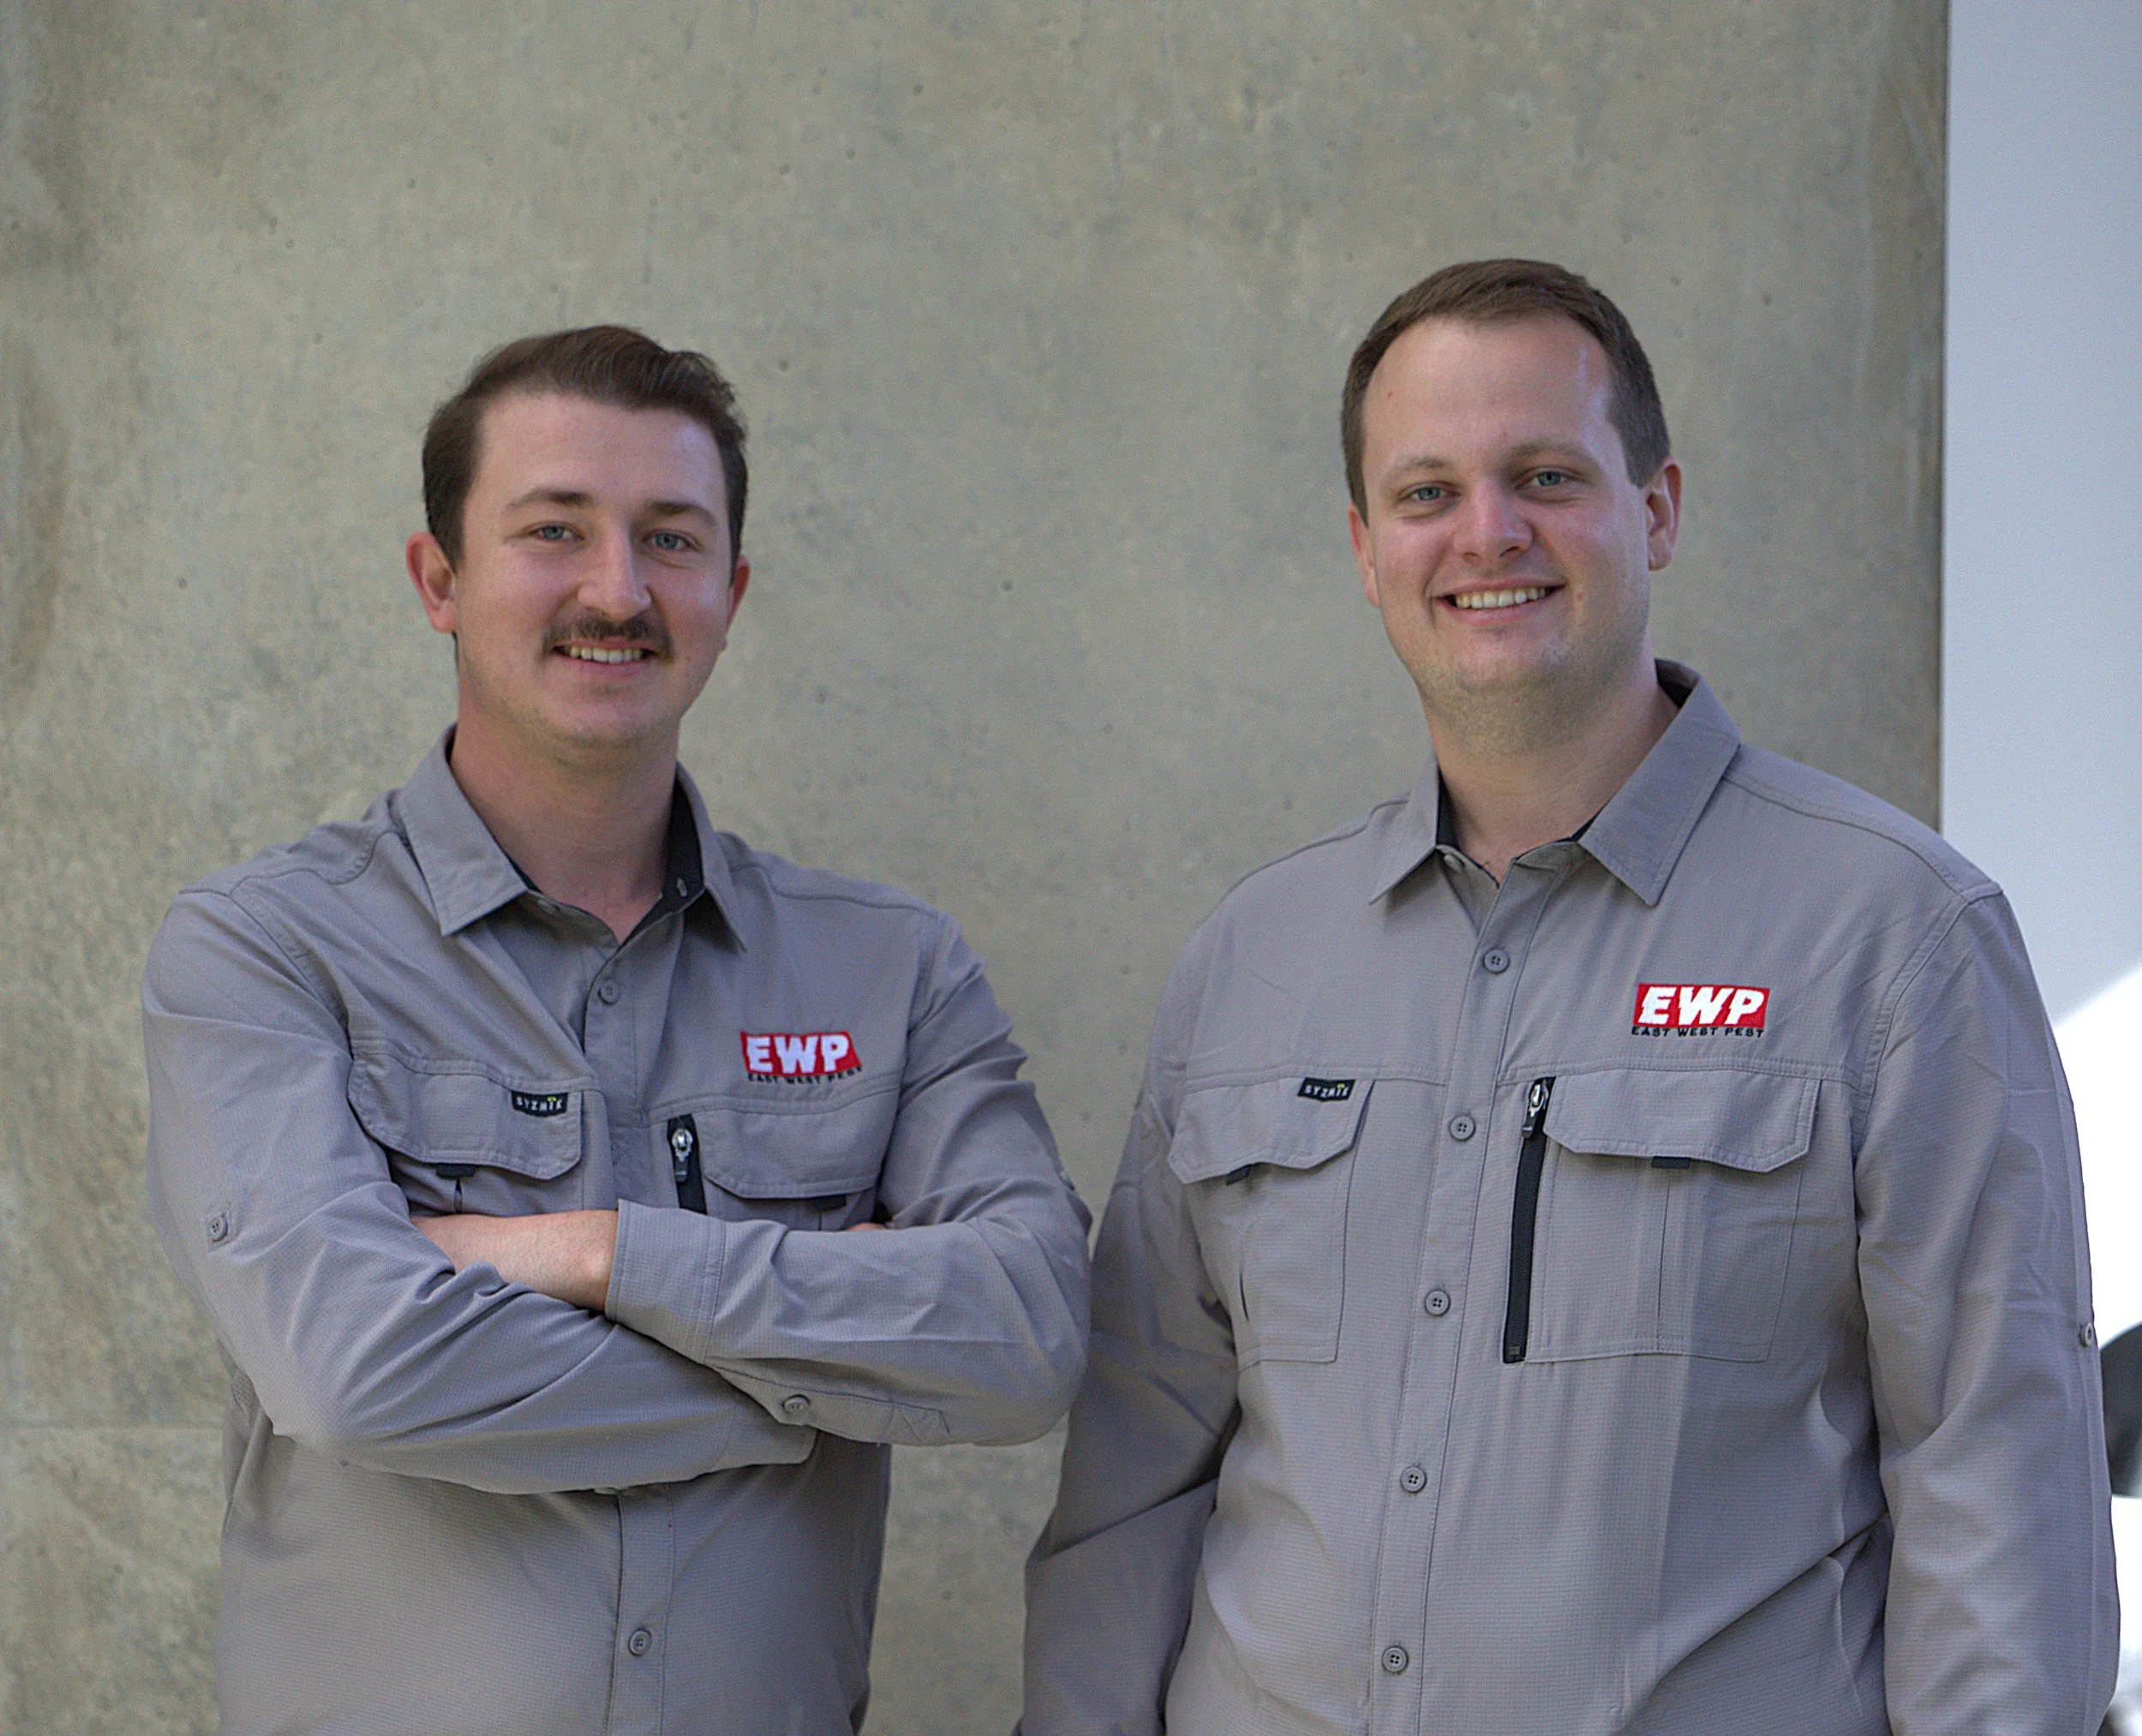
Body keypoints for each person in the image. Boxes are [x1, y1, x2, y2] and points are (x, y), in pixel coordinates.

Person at [1021, 260, 2115, 1735]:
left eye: (1546, 473)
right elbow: (1135, 1482)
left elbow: (2001, 1487)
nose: (1488, 533)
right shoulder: (1254, 956)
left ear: (1656, 506)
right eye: (1427, 492)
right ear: (1363, 545)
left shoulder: (1896, 937)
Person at [143, 326, 1090, 1736]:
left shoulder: (889, 967)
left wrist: (591, 1254)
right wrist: (826, 1376)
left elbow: (1026, 1333)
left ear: (732, 590)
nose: (618, 588)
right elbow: (358, 1369)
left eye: (670, 537)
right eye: (553, 530)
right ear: (439, 580)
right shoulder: (266, 951)